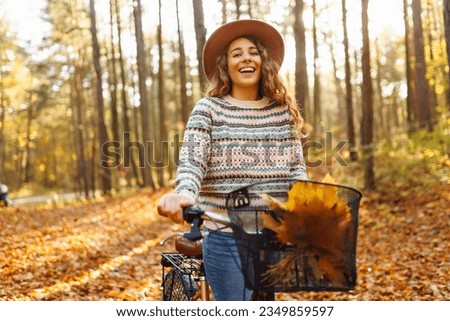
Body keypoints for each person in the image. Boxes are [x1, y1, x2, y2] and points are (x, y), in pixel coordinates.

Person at [157, 19, 308, 300]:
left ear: (263, 61)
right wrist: (183, 193)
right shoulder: (209, 109)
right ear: (225, 65)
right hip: (225, 235)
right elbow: (192, 161)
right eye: (236, 53)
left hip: (273, 235)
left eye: (253, 51)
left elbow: (296, 168)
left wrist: (308, 200)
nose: (246, 58)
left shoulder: (282, 112)